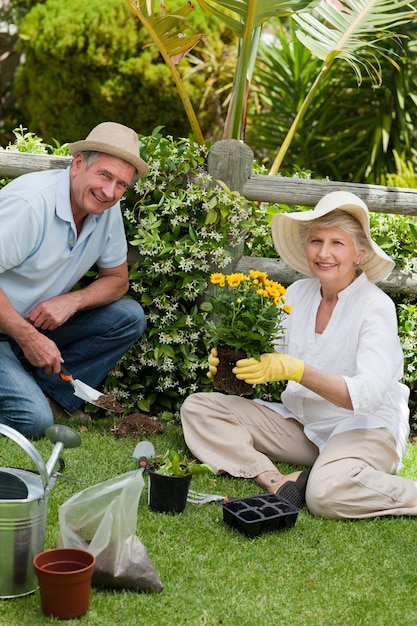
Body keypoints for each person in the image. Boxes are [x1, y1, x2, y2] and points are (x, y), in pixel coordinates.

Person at [180, 191, 417, 519]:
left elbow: (369, 396)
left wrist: (297, 370)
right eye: (316, 240)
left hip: (365, 428)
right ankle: (275, 479)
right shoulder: (297, 294)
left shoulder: (376, 306)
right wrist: (231, 366)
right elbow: (267, 362)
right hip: (304, 424)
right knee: (199, 408)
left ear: (359, 253)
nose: (324, 252)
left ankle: (321, 483)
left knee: (324, 495)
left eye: (338, 243)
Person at [0, 121, 149, 438]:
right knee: (32, 422)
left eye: (121, 184)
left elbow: (118, 280)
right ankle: (29, 403)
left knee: (128, 316)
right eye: (105, 175)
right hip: (7, 326)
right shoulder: (31, 204)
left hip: (29, 322)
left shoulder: (106, 209)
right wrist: (29, 337)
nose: (110, 192)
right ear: (78, 163)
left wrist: (72, 300)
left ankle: (48, 396)